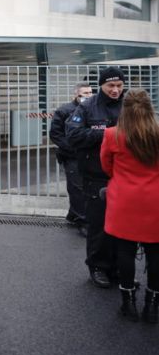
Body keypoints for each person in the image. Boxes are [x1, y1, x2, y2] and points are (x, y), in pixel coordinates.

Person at [99, 89, 159, 323]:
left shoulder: (112, 134)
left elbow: (107, 166)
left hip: (124, 200)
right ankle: (152, 305)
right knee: (156, 253)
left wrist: (123, 179)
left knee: (125, 252)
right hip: (155, 199)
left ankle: (128, 303)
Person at [67, 67, 126, 289]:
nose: (115, 90)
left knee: (122, 226)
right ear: (101, 85)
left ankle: (119, 267)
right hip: (95, 176)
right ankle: (98, 267)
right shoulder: (87, 107)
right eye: (111, 85)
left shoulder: (127, 106)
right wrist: (108, 135)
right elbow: (73, 135)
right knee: (99, 224)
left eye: (119, 86)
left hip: (123, 176)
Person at [49, 82, 93, 233]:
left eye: (90, 92)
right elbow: (55, 134)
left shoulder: (93, 109)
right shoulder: (64, 110)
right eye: (85, 93)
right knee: (77, 188)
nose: (88, 96)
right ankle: (83, 221)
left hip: (89, 155)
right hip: (72, 156)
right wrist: (72, 147)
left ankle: (73, 215)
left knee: (85, 187)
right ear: (76, 94)